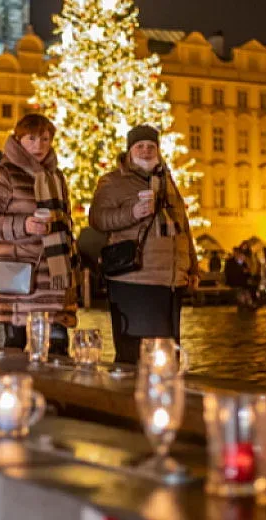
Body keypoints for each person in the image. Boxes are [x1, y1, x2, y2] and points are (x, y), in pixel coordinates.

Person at [89, 124, 199, 364]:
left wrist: (192, 268)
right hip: (133, 279)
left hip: (170, 282)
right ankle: (128, 400)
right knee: (135, 356)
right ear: (129, 151)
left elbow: (183, 227)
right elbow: (97, 218)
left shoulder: (167, 181)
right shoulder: (113, 181)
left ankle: (163, 399)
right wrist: (132, 213)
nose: (146, 151)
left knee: (167, 356)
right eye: (140, 146)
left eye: (151, 146)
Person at [0, 114, 78, 354]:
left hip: (52, 275)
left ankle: (55, 391)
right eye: (31, 139)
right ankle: (14, 389)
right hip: (17, 275)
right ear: (19, 140)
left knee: (58, 345)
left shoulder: (56, 177)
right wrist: (24, 226)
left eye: (44, 139)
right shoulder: (5, 173)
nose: (39, 145)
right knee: (15, 347)